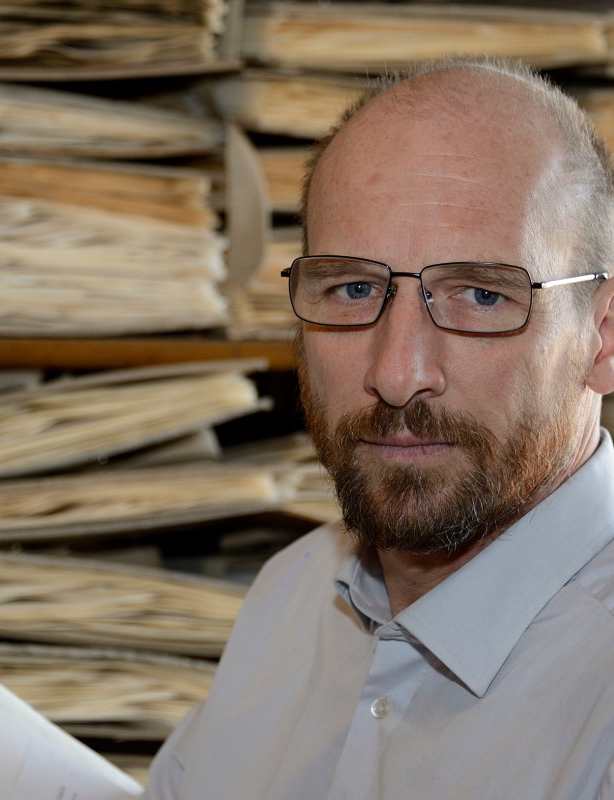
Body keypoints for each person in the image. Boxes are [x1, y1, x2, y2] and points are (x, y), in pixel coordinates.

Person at [143, 56, 614, 799]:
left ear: (605, 336)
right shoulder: (293, 592)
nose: (396, 375)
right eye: (353, 287)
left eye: (480, 297)